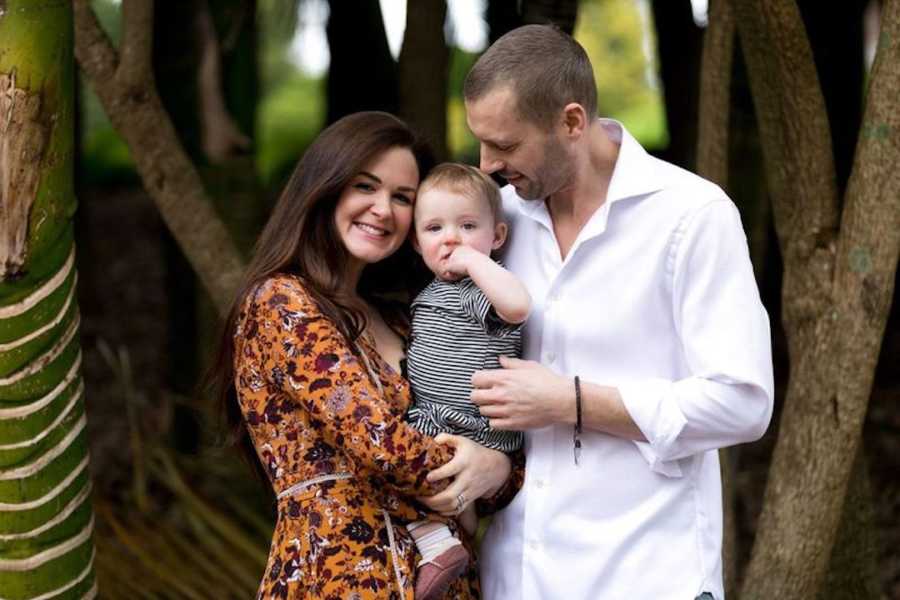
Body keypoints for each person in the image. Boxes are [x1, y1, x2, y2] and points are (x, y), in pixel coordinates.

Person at [458, 25, 774, 600]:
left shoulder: (691, 216)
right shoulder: (493, 219)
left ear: (572, 123)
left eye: (505, 146)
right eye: (481, 143)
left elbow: (743, 401)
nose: (488, 165)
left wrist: (572, 401)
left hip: (648, 572)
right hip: (516, 576)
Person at [208, 112, 512, 599]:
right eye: (365, 187)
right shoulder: (281, 303)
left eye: (402, 198)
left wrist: (498, 469)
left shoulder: (405, 318)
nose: (382, 210)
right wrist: (488, 466)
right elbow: (380, 443)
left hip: (445, 581)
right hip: (338, 576)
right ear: (326, 188)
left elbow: (479, 419)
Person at [402, 163, 531, 599]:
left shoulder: (481, 289)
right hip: (436, 419)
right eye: (434, 228)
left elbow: (517, 306)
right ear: (417, 242)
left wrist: (476, 261)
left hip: (473, 425)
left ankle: (442, 543)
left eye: (468, 226)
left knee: (425, 477)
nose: (450, 238)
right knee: (412, 479)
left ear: (496, 237)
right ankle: (445, 547)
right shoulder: (428, 293)